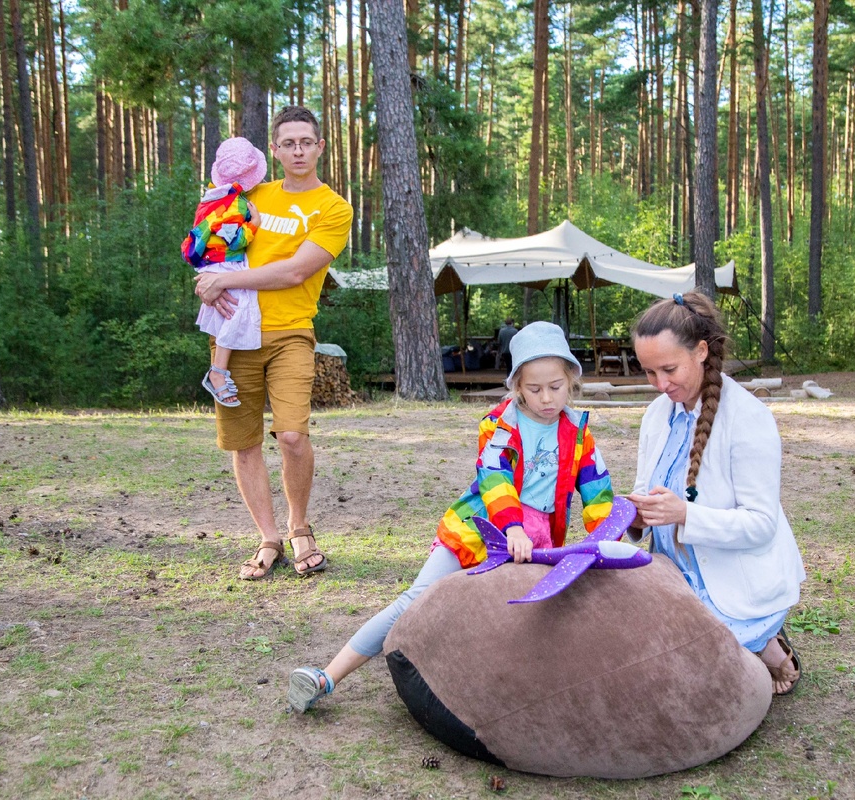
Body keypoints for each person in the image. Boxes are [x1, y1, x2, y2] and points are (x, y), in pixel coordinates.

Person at [287, 321, 617, 712]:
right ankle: (327, 676)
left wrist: (608, 537)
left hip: (537, 541)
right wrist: (511, 526)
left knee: (522, 618)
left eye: (556, 387)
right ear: (517, 387)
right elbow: (495, 480)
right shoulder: (500, 425)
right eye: (534, 388)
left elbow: (597, 491)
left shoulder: (579, 434)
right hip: (480, 529)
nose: (546, 398)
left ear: (571, 382)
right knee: (418, 597)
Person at [193, 106, 354, 580]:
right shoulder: (251, 194)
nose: (299, 150)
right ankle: (269, 539)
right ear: (276, 150)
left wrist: (230, 280)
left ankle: (299, 527)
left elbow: (297, 270)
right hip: (232, 334)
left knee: (291, 435)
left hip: (291, 332)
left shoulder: (333, 207)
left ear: (320, 146)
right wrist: (207, 280)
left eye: (307, 141)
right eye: (289, 143)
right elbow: (210, 243)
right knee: (243, 444)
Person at [625, 291, 807, 696]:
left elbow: (761, 525)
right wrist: (638, 515)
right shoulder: (657, 414)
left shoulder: (748, 418)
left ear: (702, 351)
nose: (659, 385)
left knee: (693, 673)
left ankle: (764, 641)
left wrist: (684, 515)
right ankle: (746, 643)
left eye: (669, 369)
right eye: (649, 372)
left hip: (736, 582)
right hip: (676, 573)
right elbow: (645, 491)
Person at [182, 137, 267, 407]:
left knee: (225, 314)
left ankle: (218, 370)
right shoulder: (237, 205)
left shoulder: (209, 198)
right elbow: (236, 240)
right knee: (238, 310)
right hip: (226, 263)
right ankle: (218, 372)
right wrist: (254, 225)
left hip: (208, 263)